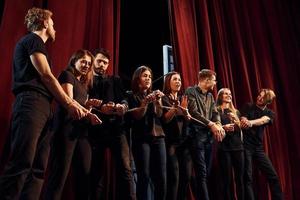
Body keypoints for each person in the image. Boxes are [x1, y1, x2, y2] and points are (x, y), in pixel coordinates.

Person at [0, 7, 88, 200]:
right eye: (53, 24)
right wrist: (70, 105)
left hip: (43, 107)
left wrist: (81, 107)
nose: (55, 28)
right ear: (45, 23)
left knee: (38, 168)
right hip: (30, 104)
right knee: (22, 163)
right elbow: (47, 76)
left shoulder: (39, 45)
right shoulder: (33, 40)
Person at [45, 49, 102, 200]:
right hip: (65, 130)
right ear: (74, 60)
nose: (86, 65)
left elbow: (81, 108)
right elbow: (68, 100)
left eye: (89, 63)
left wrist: (89, 105)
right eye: (83, 61)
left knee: (84, 173)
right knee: (59, 175)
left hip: (81, 132)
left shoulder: (83, 85)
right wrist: (89, 114)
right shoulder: (67, 75)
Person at [88, 48, 135, 200]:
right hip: (95, 131)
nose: (102, 65)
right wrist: (100, 108)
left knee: (126, 170)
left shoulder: (115, 79)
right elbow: (83, 102)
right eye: (99, 61)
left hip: (117, 129)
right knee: (96, 173)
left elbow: (124, 99)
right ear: (93, 61)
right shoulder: (86, 81)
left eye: (105, 62)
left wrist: (122, 106)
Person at [184, 69, 225, 200]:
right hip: (196, 138)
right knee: (201, 173)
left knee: (206, 173)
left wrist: (218, 124)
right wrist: (211, 124)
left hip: (208, 139)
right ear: (206, 80)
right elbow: (194, 113)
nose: (215, 83)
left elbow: (215, 113)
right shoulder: (191, 91)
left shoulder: (210, 96)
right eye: (214, 80)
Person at [127, 66, 167, 200]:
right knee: (144, 175)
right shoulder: (130, 95)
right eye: (145, 76)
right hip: (141, 138)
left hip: (158, 137)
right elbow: (138, 116)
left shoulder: (154, 94)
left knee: (161, 176)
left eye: (150, 76)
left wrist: (158, 101)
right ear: (138, 78)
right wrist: (145, 102)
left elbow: (159, 114)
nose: (148, 78)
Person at [240, 89, 283, 200]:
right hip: (245, 147)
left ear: (268, 101)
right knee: (247, 178)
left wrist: (250, 122)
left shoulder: (269, 113)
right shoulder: (248, 106)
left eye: (263, 97)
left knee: (273, 176)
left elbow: (263, 120)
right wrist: (244, 120)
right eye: (259, 95)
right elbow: (243, 117)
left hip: (258, 148)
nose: (259, 98)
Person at [161, 72, 190, 200]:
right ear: (168, 82)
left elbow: (187, 119)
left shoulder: (183, 98)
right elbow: (165, 119)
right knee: (174, 177)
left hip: (184, 142)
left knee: (186, 176)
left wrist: (185, 113)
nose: (178, 82)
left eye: (179, 79)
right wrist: (177, 109)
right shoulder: (164, 98)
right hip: (170, 142)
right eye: (175, 79)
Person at [216, 88, 244, 200]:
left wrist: (236, 120)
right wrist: (224, 127)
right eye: (226, 94)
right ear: (220, 96)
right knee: (226, 179)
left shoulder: (235, 111)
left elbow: (242, 128)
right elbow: (214, 126)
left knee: (240, 178)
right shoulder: (216, 110)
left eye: (230, 94)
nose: (229, 96)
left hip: (238, 147)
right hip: (224, 148)